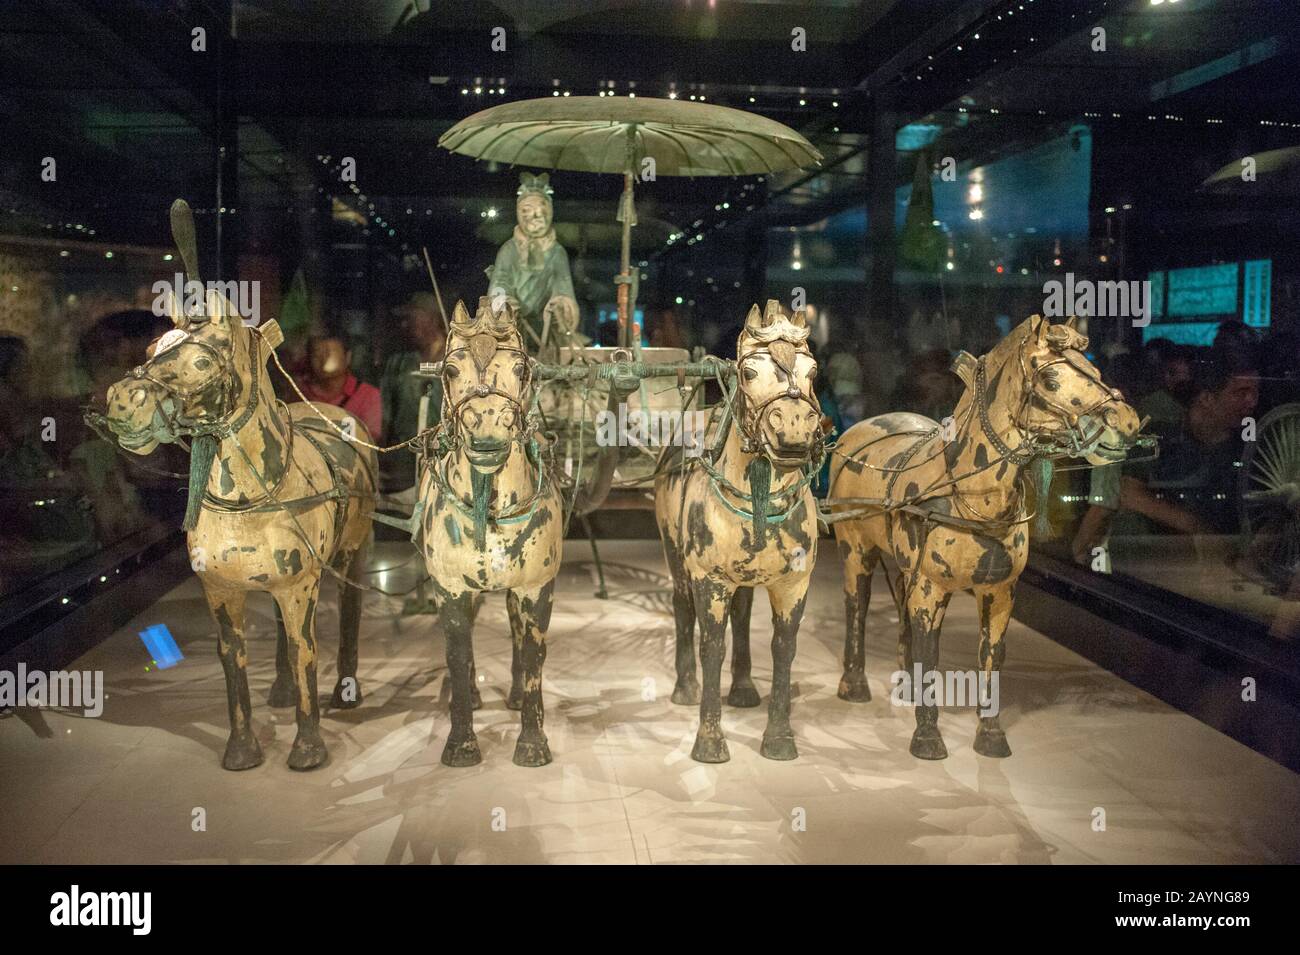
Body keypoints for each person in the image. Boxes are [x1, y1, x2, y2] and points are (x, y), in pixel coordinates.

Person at [486, 171, 580, 351]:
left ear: (549, 211)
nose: (535, 216)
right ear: (519, 213)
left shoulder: (557, 252)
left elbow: (563, 286)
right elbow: (499, 282)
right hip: (514, 329)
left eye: (541, 209)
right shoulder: (509, 250)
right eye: (527, 210)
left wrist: (561, 303)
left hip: (547, 333)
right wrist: (505, 302)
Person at [380, 291, 446, 492]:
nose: (405, 325)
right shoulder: (399, 363)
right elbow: (385, 416)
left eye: (412, 318)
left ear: (432, 319)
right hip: (405, 464)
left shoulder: (457, 360)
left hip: (446, 459)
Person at [298, 328, 382, 439]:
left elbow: (369, 444)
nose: (324, 360)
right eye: (317, 355)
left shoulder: (369, 396)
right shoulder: (298, 391)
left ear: (347, 357)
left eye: (331, 354)